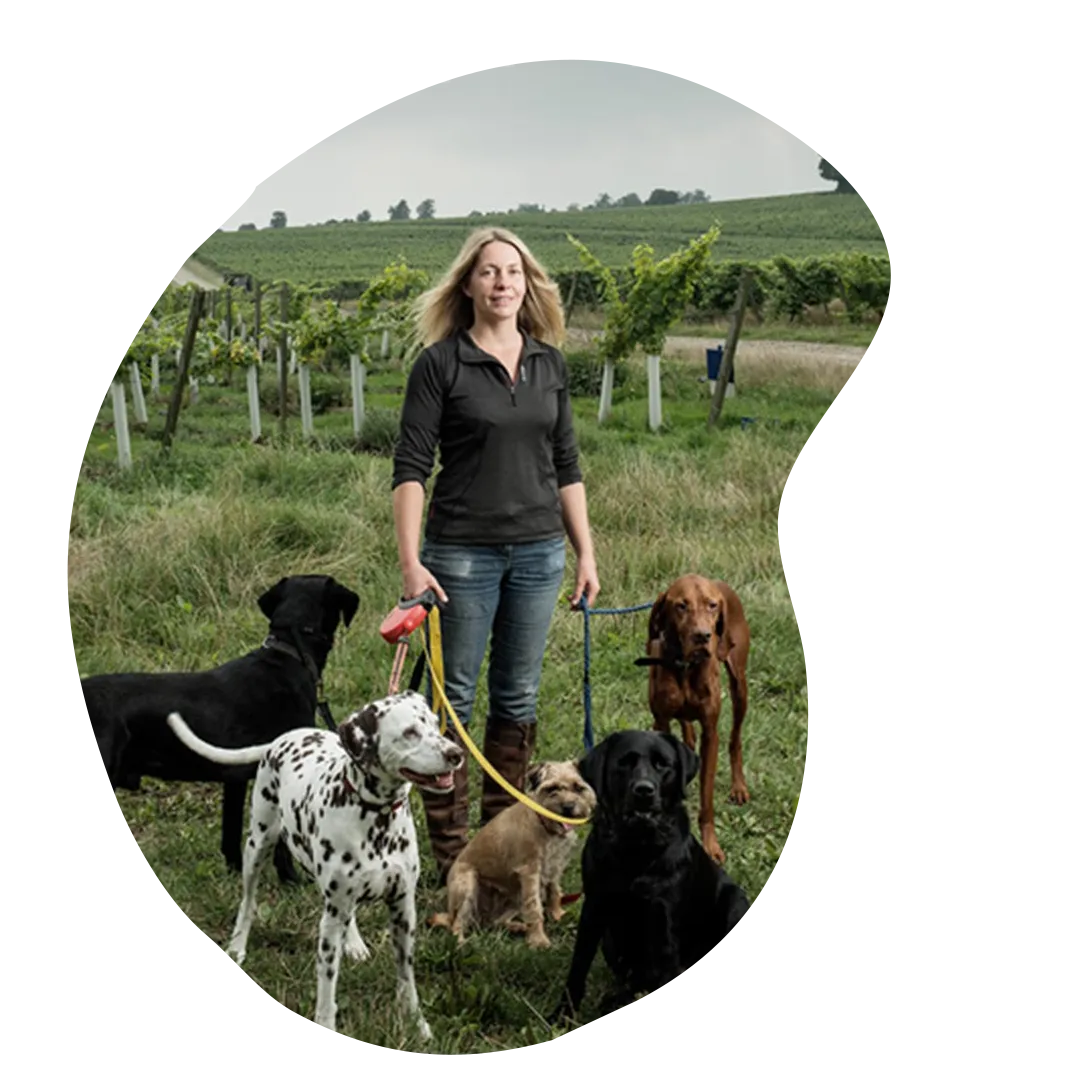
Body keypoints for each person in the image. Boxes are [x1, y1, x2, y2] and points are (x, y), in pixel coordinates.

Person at [391, 226, 600, 883]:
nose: (503, 282)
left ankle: (502, 848)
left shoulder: (549, 364)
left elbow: (565, 463)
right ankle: (455, 861)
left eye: (513, 272)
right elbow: (410, 467)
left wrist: (584, 553)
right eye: (489, 272)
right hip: (459, 557)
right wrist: (411, 562)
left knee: (517, 697)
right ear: (469, 285)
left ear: (527, 285)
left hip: (539, 554)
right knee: (451, 700)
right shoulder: (441, 365)